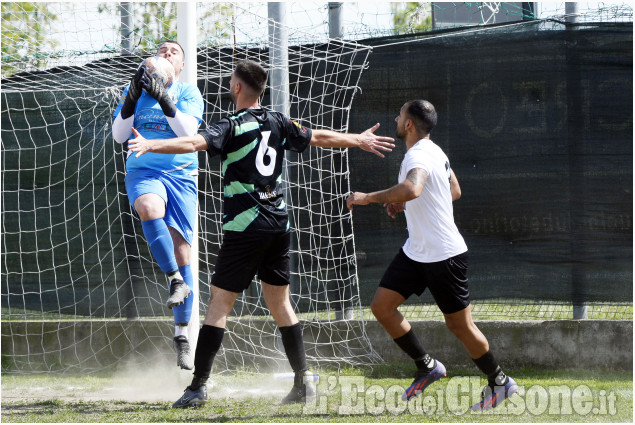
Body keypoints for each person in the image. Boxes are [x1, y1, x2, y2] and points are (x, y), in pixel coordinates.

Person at [127, 59, 395, 408]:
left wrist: (151, 145)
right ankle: (302, 382)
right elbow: (319, 137)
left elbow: (193, 143)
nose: (227, 83)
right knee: (280, 304)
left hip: (245, 227)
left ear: (238, 88)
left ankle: (197, 387)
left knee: (219, 305)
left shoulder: (231, 125)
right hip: (278, 225)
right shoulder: (279, 121)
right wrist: (357, 140)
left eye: (230, 80)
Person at [346, 99, 518, 411]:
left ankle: (500, 381)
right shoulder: (434, 151)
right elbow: (453, 190)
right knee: (382, 307)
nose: (396, 119)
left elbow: (413, 188)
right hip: (417, 251)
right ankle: (427, 366)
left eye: (399, 115)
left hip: (444, 256)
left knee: (459, 326)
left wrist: (368, 198)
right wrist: (407, 201)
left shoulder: (419, 154)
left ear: (409, 124)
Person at [112, 40, 204, 371]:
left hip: (181, 176)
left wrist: (166, 99)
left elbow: (189, 133)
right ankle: (174, 279)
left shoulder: (189, 92)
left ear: (180, 65)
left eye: (174, 52)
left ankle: (181, 336)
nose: (166, 54)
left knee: (183, 252)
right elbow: (119, 135)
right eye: (161, 50)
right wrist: (133, 98)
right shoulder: (133, 90)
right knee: (149, 208)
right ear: (151, 61)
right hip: (144, 170)